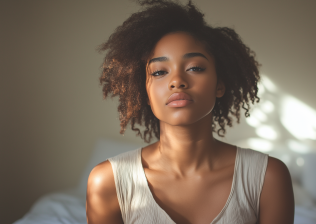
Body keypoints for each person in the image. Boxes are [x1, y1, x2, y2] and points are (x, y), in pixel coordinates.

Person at [86, 0, 294, 223]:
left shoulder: (267, 177)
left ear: (219, 84)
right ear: (145, 93)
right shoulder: (108, 181)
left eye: (195, 68)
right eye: (159, 72)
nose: (177, 81)